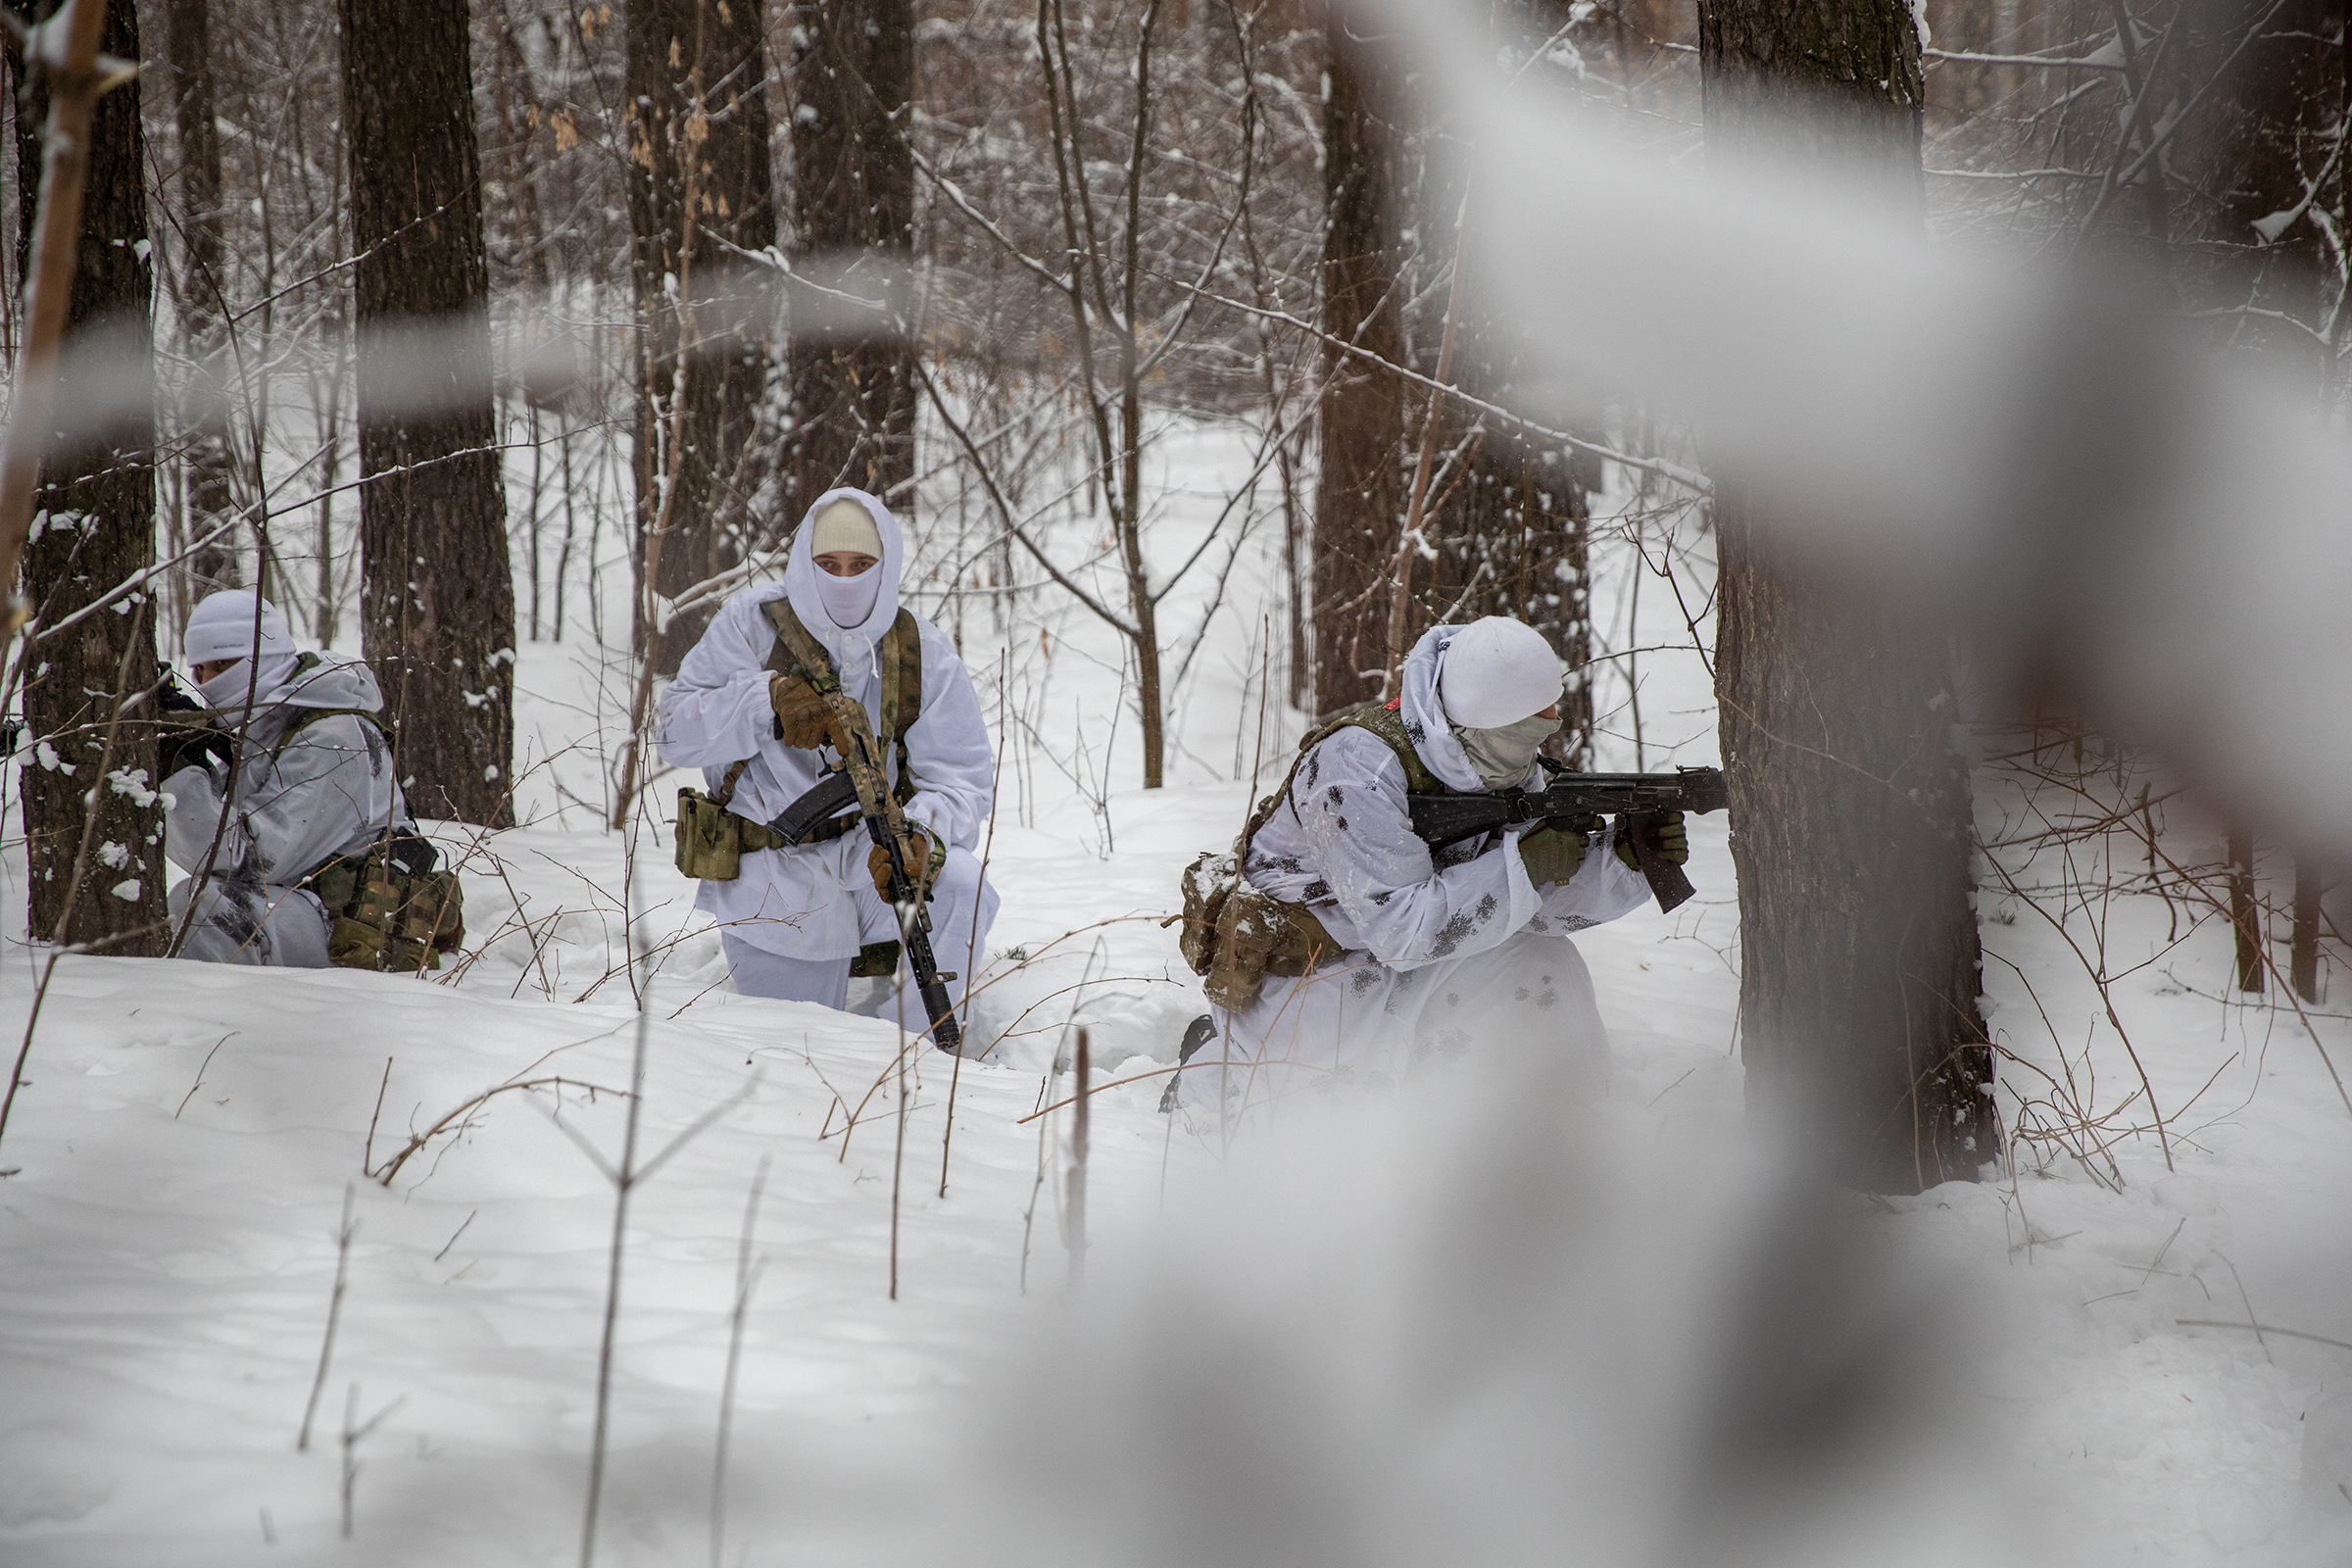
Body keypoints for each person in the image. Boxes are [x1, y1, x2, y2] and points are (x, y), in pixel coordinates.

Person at [1170, 615, 1688, 1110]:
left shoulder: (1498, 761)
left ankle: (1561, 1136)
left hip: (1411, 960)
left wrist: (1622, 864)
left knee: (1546, 968)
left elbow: (1525, 910)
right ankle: (1211, 1068)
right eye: (1531, 726)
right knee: (1309, 1132)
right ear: (1486, 719)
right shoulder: (1356, 768)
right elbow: (1401, 932)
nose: (1547, 734)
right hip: (1310, 970)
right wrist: (1524, 866)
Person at [657, 488, 1000, 1033]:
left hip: (873, 864)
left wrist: (918, 839)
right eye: (828, 564)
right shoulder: (753, 625)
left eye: (862, 565)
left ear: (886, 566)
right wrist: (763, 702)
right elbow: (673, 733)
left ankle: (918, 1064)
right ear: (804, 562)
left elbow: (962, 780)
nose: (845, 579)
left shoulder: (918, 649)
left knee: (962, 883)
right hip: (772, 874)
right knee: (797, 1057)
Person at [162, 589, 448, 968]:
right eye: (199, 669)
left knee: (204, 907)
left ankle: (217, 1023)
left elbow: (250, 860)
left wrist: (179, 773)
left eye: (221, 665)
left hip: (354, 931)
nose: (207, 680)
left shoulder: (331, 735)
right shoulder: (268, 725)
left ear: (264, 656)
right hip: (310, 907)